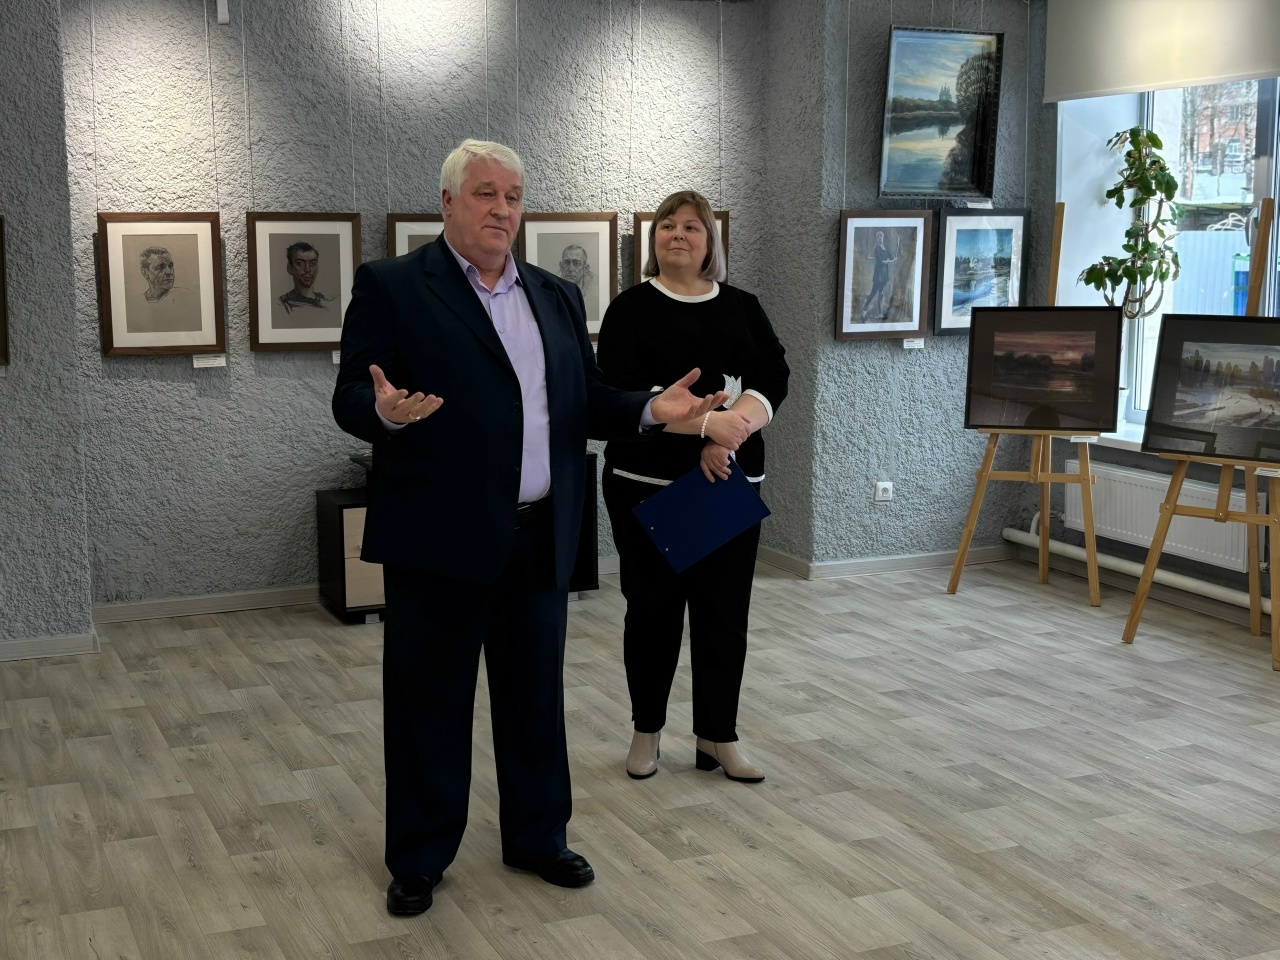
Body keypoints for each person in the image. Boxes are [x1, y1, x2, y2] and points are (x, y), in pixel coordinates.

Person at [332, 140, 727, 917]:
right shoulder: (393, 286)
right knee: (428, 706)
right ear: (448, 202)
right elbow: (351, 394)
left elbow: (585, 400)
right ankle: (420, 856)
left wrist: (651, 409)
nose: (502, 209)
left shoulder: (554, 294)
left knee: (535, 699)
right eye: (485, 193)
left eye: (513, 196)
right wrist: (384, 412)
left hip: (540, 535)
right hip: (439, 540)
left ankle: (539, 836)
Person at [595, 189, 789, 784]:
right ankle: (646, 732)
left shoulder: (743, 306)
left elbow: (772, 376)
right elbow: (618, 397)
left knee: (724, 618)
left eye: (691, 226)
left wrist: (729, 433)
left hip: (726, 484)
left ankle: (717, 736)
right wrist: (704, 426)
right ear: (654, 239)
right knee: (652, 616)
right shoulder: (630, 309)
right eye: (667, 225)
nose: (678, 234)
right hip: (648, 487)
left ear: (711, 242)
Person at [279, 241, 334, 314]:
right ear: (289, 268)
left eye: (312, 263)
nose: (307, 270)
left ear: (317, 268)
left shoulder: (328, 301)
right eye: (300, 263)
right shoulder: (282, 304)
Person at [861, 229, 897, 320]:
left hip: (884, 273)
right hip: (879, 274)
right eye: (878, 236)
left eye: (881, 236)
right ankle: (864, 311)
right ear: (877, 238)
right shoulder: (876, 248)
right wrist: (891, 261)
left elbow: (890, 256)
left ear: (883, 237)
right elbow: (881, 261)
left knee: (881, 293)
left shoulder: (885, 247)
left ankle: (880, 313)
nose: (880, 238)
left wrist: (893, 257)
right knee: (873, 293)